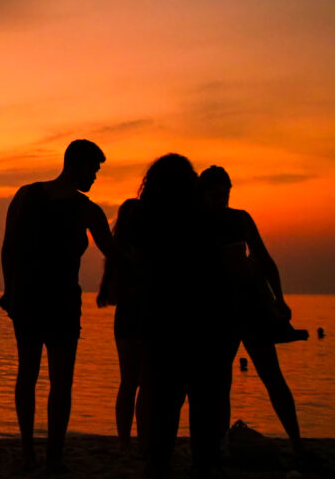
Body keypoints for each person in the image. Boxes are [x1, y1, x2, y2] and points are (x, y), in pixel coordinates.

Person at [0, 139, 115, 471]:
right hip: (41, 299)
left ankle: (47, 454)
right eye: (93, 170)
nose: (94, 177)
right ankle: (36, 453)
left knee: (49, 378)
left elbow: (112, 250)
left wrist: (11, 291)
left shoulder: (81, 207)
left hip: (48, 299)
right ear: (76, 165)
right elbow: (9, 248)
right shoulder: (36, 198)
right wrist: (11, 291)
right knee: (39, 376)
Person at [129, 155, 237, 477]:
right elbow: (232, 270)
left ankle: (158, 462)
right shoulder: (210, 219)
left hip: (160, 323)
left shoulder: (141, 222)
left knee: (162, 404)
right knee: (205, 404)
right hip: (206, 323)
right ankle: (204, 463)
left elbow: (134, 270)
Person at [199, 165, 305, 457]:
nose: (222, 199)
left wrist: (279, 300)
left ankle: (296, 443)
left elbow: (265, 260)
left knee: (272, 375)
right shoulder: (197, 223)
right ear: (203, 194)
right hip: (218, 312)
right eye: (215, 194)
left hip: (250, 307)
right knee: (220, 383)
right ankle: (219, 447)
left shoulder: (240, 219)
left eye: (226, 193)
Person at [97, 198, 147, 453]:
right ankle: (127, 441)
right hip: (131, 318)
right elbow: (115, 293)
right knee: (132, 381)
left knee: (138, 382)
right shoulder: (121, 251)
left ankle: (135, 439)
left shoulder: (137, 248)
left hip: (140, 318)